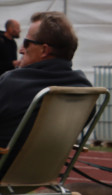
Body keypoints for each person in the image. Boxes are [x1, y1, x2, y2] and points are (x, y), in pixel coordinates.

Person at [0, 12, 92, 149]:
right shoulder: (84, 90)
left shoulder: (12, 83)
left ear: (44, 50)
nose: (21, 50)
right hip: (46, 168)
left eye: (27, 43)